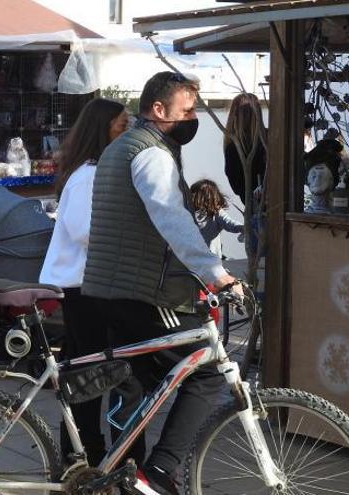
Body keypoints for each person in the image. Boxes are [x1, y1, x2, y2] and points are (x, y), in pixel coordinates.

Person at [81, 72, 242, 494]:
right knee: (206, 371)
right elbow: (173, 218)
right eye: (186, 111)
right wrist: (217, 275)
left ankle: (126, 477)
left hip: (107, 288)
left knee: (138, 383)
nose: (193, 119)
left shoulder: (120, 148)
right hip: (143, 291)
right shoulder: (151, 154)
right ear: (158, 110)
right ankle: (161, 471)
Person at [39, 98, 127, 465]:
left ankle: (81, 455)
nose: (126, 131)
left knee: (86, 372)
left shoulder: (91, 170)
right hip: (84, 288)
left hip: (88, 286)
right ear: (102, 129)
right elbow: (84, 229)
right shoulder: (89, 174)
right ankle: (85, 454)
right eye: (122, 125)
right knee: (89, 375)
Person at [223, 92, 267, 204]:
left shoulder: (233, 146)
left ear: (235, 115)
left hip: (252, 204)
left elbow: (236, 185)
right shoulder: (270, 137)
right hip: (270, 203)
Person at [190, 179, 243, 258]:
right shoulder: (188, 213)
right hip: (191, 259)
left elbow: (230, 223)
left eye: (195, 193)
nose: (192, 196)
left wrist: (243, 228)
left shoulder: (216, 213)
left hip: (210, 259)